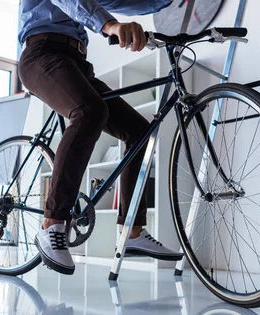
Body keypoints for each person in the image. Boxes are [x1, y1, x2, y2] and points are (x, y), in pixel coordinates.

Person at [19, 0, 184, 275]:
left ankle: (132, 231)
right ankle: (53, 224)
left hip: (76, 62)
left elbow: (116, 2)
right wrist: (110, 25)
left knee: (139, 132)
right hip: (41, 54)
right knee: (89, 112)